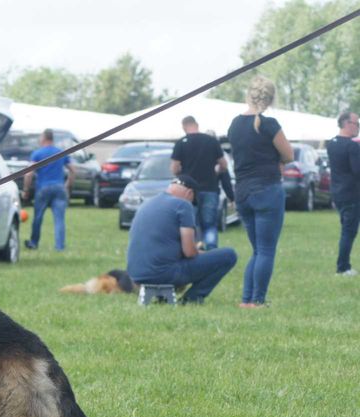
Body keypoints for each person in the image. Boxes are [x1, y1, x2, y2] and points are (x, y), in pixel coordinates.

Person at [227, 76, 295, 308]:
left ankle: (247, 300)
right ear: (271, 98)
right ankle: (258, 300)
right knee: (266, 250)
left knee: (257, 250)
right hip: (267, 190)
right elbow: (289, 154)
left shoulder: (235, 124)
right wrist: (278, 160)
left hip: (243, 192)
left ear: (249, 95)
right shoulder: (269, 124)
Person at [126, 174, 238, 304]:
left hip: (136, 275)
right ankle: (192, 299)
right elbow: (189, 252)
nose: (191, 204)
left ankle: (163, 298)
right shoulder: (183, 205)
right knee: (229, 255)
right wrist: (201, 252)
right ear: (190, 193)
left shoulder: (147, 204)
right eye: (192, 201)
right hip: (163, 273)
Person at [171, 116, 233, 250]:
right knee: (210, 224)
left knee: (192, 222)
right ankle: (212, 249)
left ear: (184, 127)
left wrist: (182, 173)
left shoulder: (181, 143)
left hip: (189, 191)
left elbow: (174, 168)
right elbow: (224, 165)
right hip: (210, 189)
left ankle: (196, 248)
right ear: (197, 125)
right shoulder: (211, 141)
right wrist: (217, 171)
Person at [23, 129, 74, 251]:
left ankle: (34, 243)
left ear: (44, 138)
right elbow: (73, 170)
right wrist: (67, 185)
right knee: (59, 219)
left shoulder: (37, 154)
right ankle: (60, 246)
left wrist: (26, 190)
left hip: (43, 188)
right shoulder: (61, 153)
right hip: (59, 188)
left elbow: (29, 174)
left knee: (38, 217)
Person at [326, 110, 360, 276]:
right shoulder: (351, 146)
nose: (358, 127)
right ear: (347, 124)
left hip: (337, 192)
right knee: (349, 231)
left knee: (346, 229)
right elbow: (357, 171)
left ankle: (343, 265)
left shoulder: (331, 144)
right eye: (357, 123)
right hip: (352, 193)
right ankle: (343, 267)